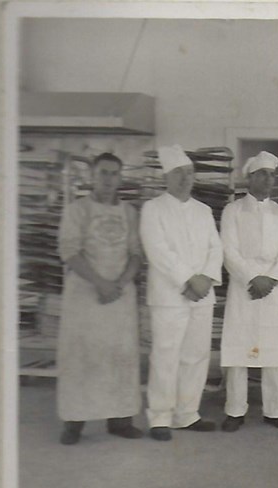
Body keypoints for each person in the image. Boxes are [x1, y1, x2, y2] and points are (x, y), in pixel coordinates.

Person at [55, 152, 143, 445]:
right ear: (92, 176)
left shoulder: (130, 213)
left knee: (120, 356)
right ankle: (74, 422)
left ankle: (120, 420)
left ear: (121, 178)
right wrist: (101, 283)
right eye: (103, 173)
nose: (108, 179)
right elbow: (69, 251)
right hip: (85, 295)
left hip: (119, 296)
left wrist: (118, 283)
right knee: (81, 357)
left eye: (114, 173)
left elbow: (135, 254)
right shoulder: (76, 210)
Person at [139, 144, 223, 441]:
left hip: (201, 295)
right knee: (165, 355)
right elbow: (158, 251)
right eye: (178, 173)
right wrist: (189, 279)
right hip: (168, 296)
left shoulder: (203, 210)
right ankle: (160, 416)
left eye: (188, 173)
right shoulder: (153, 208)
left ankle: (187, 414)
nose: (185, 178)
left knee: (196, 355)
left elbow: (216, 248)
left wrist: (206, 278)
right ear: (166, 177)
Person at [219, 151, 278, 432]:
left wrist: (270, 278)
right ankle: (235, 409)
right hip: (245, 287)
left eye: (271, 174)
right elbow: (229, 251)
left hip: (273, 289)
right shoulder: (233, 211)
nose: (267, 179)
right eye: (261, 174)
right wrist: (253, 278)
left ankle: (275, 409)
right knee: (241, 348)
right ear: (250, 177)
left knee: (273, 349)